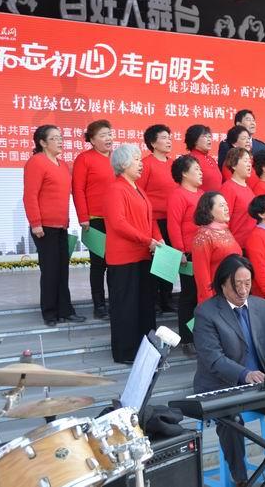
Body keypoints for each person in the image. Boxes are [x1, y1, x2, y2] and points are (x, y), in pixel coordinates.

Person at [192, 255, 265, 487]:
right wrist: (245, 373)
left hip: (259, 385)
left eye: (248, 283)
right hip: (222, 386)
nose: (244, 290)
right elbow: (213, 358)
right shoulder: (206, 312)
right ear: (224, 283)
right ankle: (240, 478)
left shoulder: (261, 306)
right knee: (232, 420)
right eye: (238, 284)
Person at [104, 144, 162, 364]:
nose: (141, 164)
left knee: (144, 305)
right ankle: (126, 352)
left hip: (143, 256)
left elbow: (151, 219)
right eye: (137, 160)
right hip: (124, 259)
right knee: (125, 307)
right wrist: (148, 240)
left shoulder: (138, 189)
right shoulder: (116, 189)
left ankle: (145, 349)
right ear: (123, 164)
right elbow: (118, 224)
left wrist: (159, 239)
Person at [24, 125, 84, 327]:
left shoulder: (62, 164)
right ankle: (49, 313)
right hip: (44, 227)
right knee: (50, 271)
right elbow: (30, 195)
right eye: (54, 138)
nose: (60, 141)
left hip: (60, 225)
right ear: (42, 142)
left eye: (61, 137)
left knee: (62, 269)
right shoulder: (36, 162)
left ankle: (65, 310)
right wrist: (35, 223)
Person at [72, 119, 115, 319]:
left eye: (109, 133)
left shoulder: (117, 158)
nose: (108, 138)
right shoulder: (84, 159)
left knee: (116, 262)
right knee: (99, 264)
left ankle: (115, 301)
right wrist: (83, 217)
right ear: (92, 139)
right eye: (103, 135)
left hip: (117, 220)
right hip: (95, 219)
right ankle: (99, 305)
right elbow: (78, 189)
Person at [137, 124, 177, 315]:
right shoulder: (146, 164)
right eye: (163, 137)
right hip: (153, 220)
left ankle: (166, 300)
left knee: (169, 261)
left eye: (169, 137)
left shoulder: (174, 164)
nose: (169, 140)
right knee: (155, 262)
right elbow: (139, 194)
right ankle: (152, 301)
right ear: (152, 142)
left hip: (172, 219)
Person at [167, 155, 204, 356]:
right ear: (184, 173)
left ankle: (202, 335)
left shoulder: (203, 194)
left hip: (205, 252)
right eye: (196, 169)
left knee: (203, 295)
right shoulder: (178, 195)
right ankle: (186, 339)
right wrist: (180, 251)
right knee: (189, 296)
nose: (200, 173)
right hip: (189, 254)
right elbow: (173, 225)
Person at [191, 192, 241, 303]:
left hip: (234, 293)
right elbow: (202, 276)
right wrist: (209, 303)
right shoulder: (203, 236)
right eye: (222, 205)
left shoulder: (225, 230)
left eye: (226, 205)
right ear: (209, 210)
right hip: (218, 297)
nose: (227, 208)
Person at [221, 147, 257, 248]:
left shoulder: (248, 188)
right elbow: (223, 221)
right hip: (236, 246)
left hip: (251, 245)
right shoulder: (228, 188)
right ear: (234, 165)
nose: (249, 164)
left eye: (250, 161)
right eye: (245, 161)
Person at [185, 124, 222, 191]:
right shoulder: (190, 159)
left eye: (209, 137)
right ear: (195, 140)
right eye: (205, 136)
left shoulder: (211, 159)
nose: (209, 139)